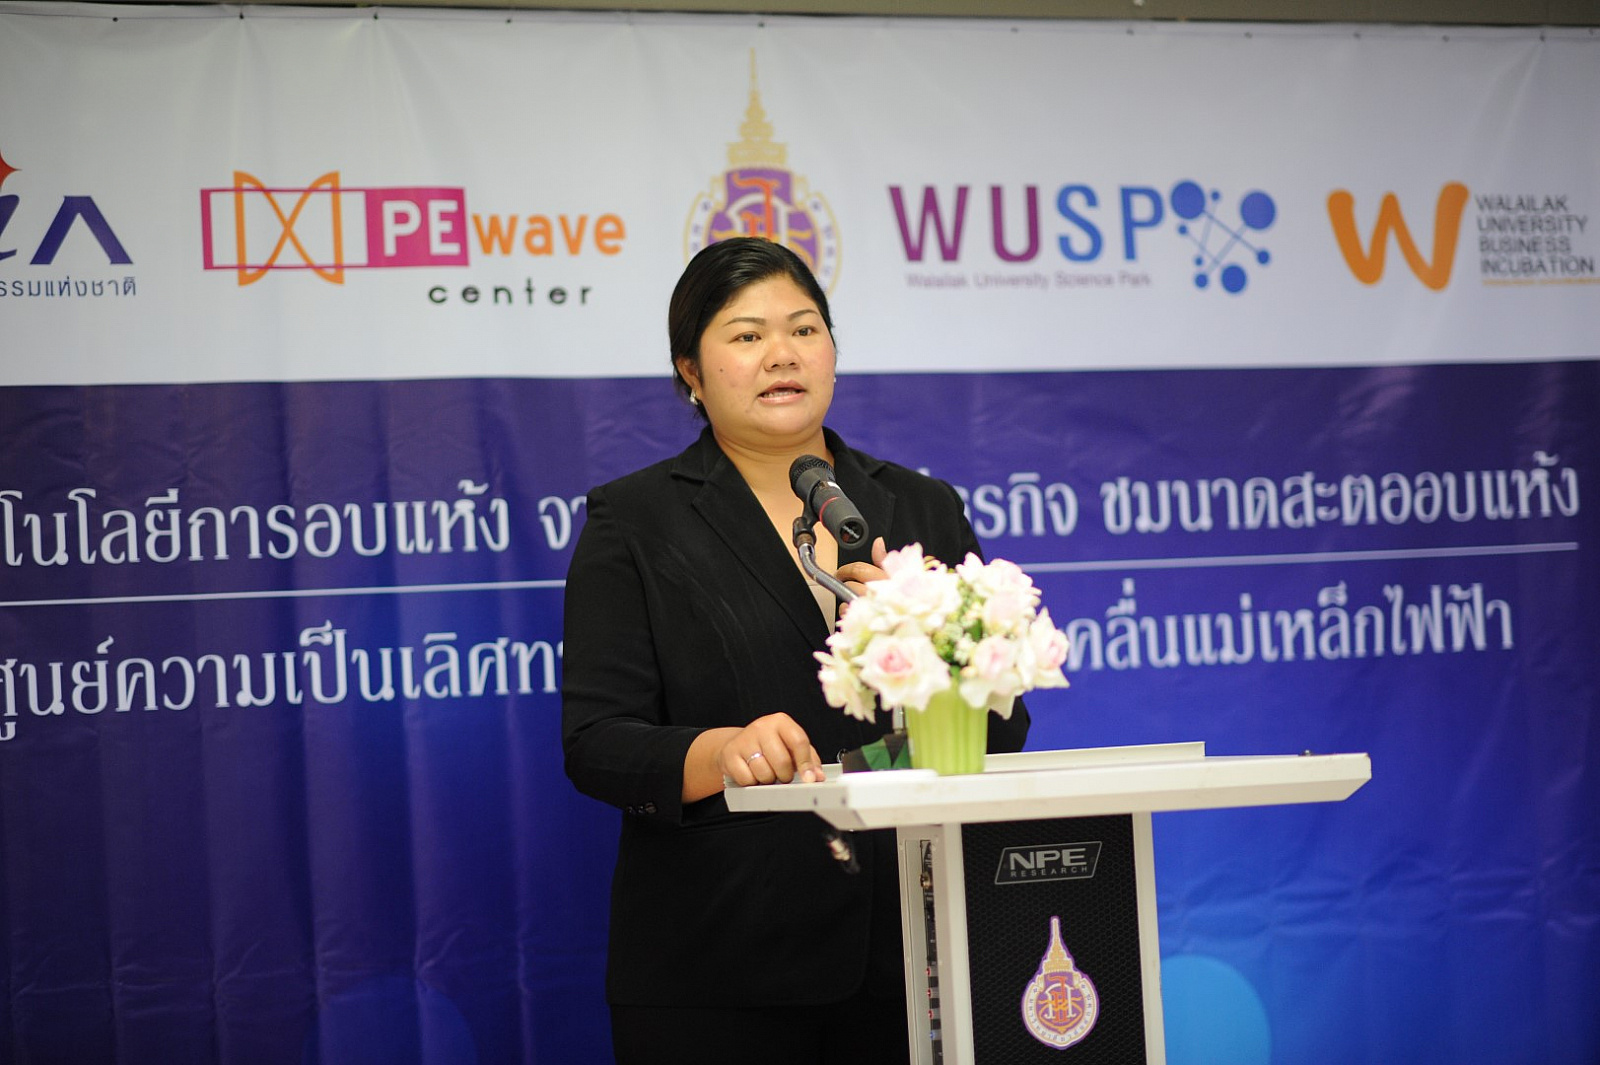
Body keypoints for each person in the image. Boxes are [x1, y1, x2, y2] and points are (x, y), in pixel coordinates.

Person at [561, 236, 1030, 1064]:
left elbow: (1003, 724)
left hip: (912, 956)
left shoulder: (920, 506)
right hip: (721, 962)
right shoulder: (633, 521)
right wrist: (720, 752)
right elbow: (597, 742)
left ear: (833, 353)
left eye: (804, 329)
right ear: (691, 372)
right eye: (747, 335)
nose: (782, 354)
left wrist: (927, 652)